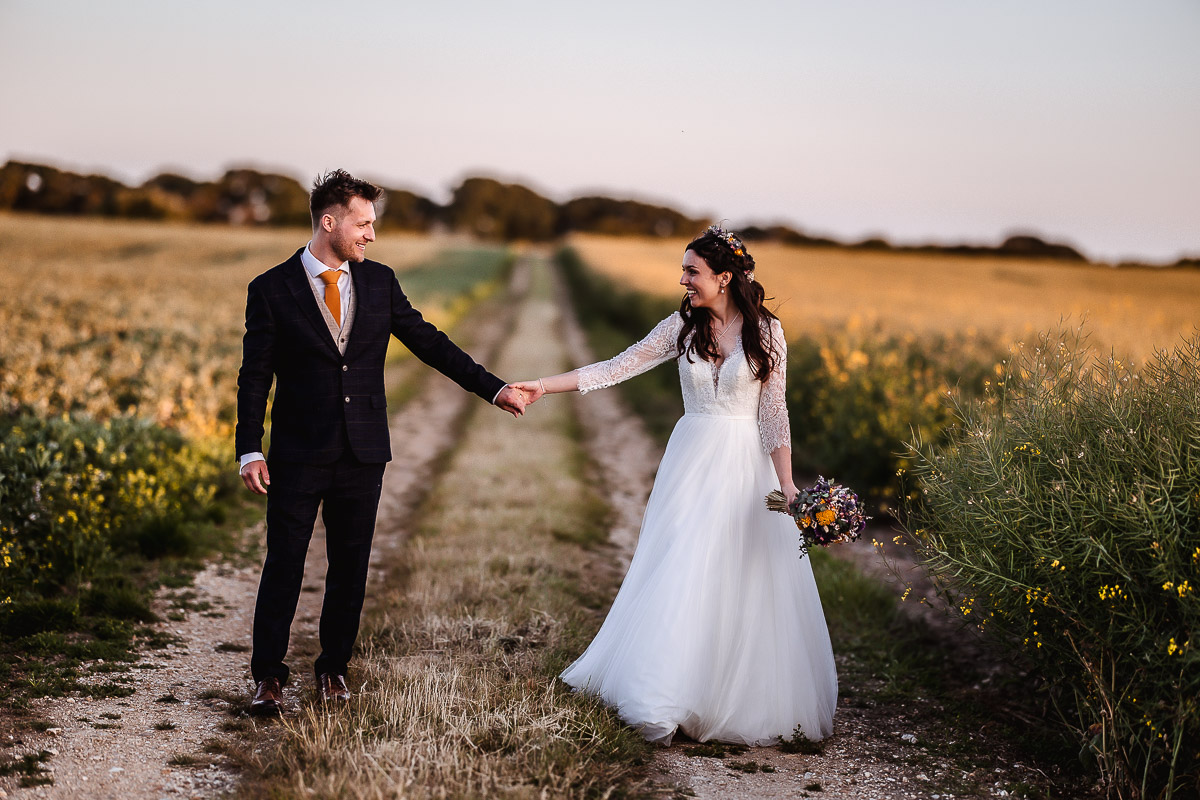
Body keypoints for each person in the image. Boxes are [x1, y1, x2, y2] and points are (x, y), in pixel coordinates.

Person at [512, 226, 837, 745]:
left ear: (724, 278)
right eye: (684, 270)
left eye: (692, 271)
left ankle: (725, 694)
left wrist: (788, 487)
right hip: (689, 462)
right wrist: (544, 386)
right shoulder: (679, 328)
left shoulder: (767, 333)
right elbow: (618, 366)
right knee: (683, 561)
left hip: (743, 467)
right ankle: (664, 692)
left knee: (738, 570)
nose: (682, 280)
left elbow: (775, 416)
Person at [235, 169, 528, 714]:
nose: (371, 234)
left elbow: (430, 343)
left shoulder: (379, 282)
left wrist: (494, 389)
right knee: (285, 564)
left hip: (363, 450)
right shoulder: (270, 289)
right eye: (363, 223)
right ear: (330, 221)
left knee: (351, 565)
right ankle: (268, 677)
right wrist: (250, 447)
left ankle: (332, 671)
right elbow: (256, 377)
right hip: (297, 452)